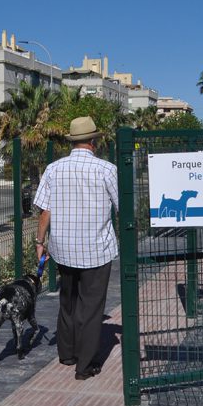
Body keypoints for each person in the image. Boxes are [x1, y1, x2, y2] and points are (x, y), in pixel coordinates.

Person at [33, 115, 118, 381]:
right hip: (96, 249)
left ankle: (66, 353)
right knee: (91, 307)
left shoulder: (53, 169)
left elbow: (44, 211)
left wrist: (39, 241)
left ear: (73, 141)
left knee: (67, 302)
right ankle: (85, 365)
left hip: (63, 248)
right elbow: (122, 206)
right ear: (93, 141)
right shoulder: (107, 170)